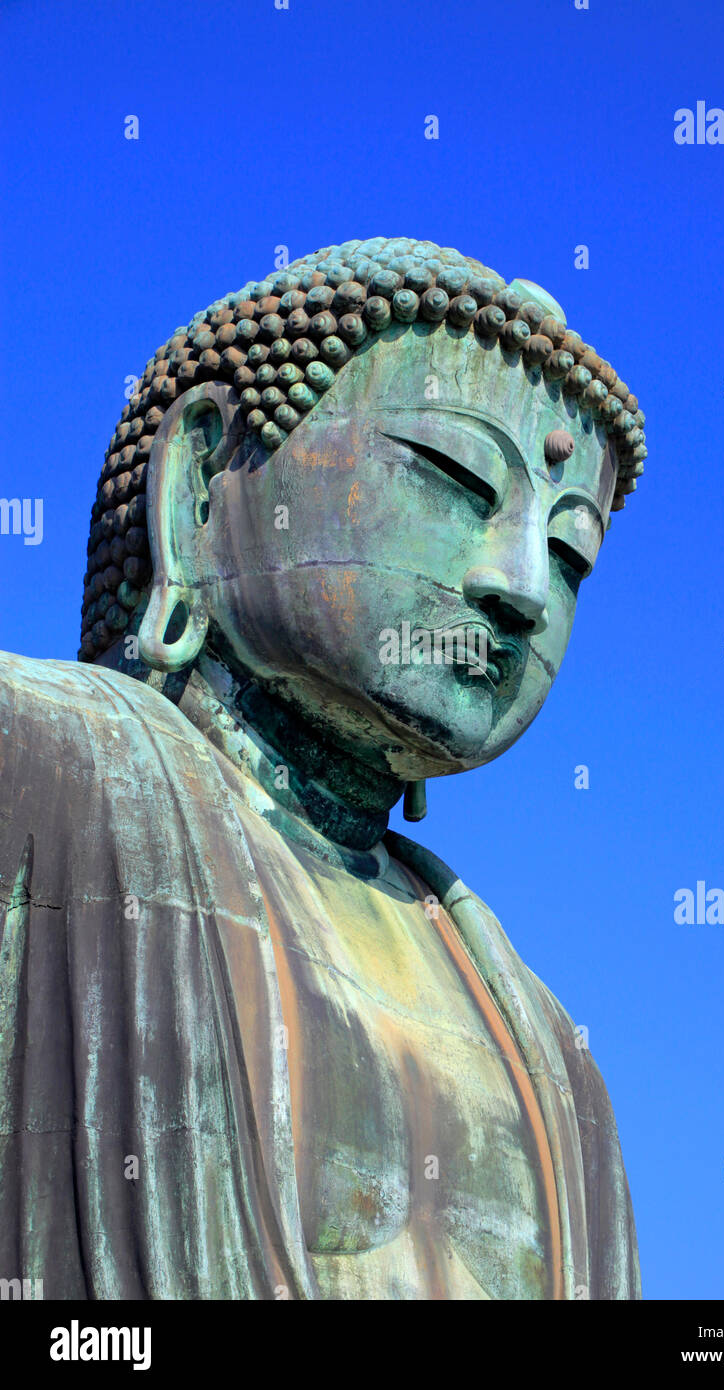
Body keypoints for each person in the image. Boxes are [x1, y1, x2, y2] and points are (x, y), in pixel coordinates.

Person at [0, 237, 645, 1299]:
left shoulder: (550, 1054)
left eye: (568, 551)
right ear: (200, 480)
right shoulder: (40, 767)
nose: (523, 588)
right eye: (451, 476)